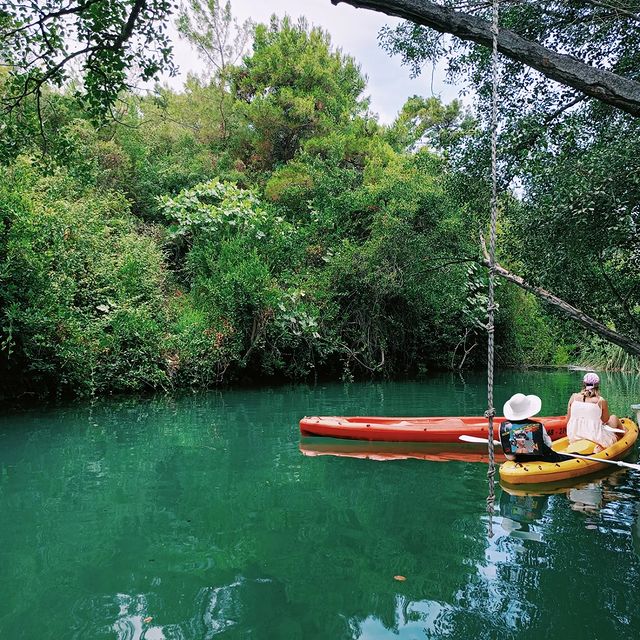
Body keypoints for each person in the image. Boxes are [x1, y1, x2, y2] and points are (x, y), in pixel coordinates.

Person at [500, 392, 567, 463]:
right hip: (541, 458)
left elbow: (508, 454)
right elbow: (549, 445)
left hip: (517, 459)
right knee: (572, 456)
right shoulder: (538, 425)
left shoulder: (503, 427)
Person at [566, 372, 621, 453]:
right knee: (614, 418)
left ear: (584, 383)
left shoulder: (573, 397)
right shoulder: (600, 401)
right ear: (597, 385)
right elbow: (605, 420)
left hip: (574, 437)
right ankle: (624, 437)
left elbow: (568, 420)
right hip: (595, 438)